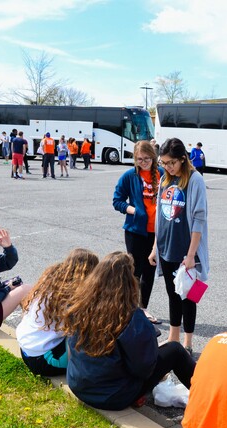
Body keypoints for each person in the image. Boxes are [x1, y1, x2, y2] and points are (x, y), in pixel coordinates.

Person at [64, 251, 196, 410]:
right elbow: (143, 369)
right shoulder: (129, 317)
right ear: (129, 283)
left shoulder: (80, 304)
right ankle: (208, 395)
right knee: (175, 350)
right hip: (113, 396)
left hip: (79, 385)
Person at [148, 137, 209, 353]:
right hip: (166, 247)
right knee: (172, 294)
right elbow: (160, 217)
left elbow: (199, 219)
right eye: (163, 163)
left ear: (182, 159)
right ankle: (174, 339)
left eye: (171, 163)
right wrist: (156, 246)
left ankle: (188, 342)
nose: (167, 167)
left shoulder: (195, 180)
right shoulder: (165, 179)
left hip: (186, 250)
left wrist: (192, 254)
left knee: (188, 297)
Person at [17, 248, 99, 376]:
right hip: (44, 361)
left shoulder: (53, 282)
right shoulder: (71, 295)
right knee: (87, 330)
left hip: (27, 352)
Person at [113, 140, 164, 324]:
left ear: (153, 157)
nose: (143, 162)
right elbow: (117, 200)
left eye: (147, 159)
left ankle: (143, 309)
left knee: (150, 270)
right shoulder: (129, 176)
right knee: (134, 271)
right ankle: (129, 308)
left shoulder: (162, 174)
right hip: (135, 231)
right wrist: (133, 210)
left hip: (157, 232)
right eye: (139, 159)